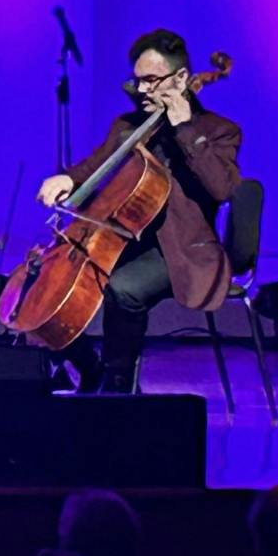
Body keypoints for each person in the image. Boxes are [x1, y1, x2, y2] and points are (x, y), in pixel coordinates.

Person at [36, 28, 241, 393]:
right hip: (124, 238)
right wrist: (67, 180)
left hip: (179, 249)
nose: (142, 91)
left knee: (123, 287)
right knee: (47, 275)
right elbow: (94, 166)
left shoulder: (219, 130)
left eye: (152, 81)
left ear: (181, 79)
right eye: (137, 81)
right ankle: (89, 368)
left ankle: (118, 383)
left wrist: (184, 128)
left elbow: (222, 188)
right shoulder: (128, 126)